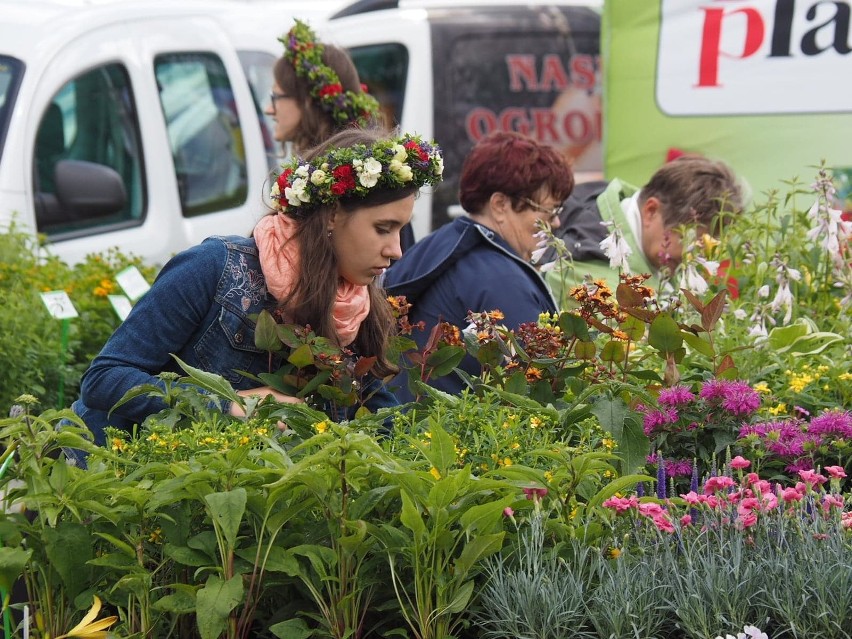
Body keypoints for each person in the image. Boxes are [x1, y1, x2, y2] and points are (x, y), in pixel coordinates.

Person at [71, 128, 444, 448]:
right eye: (383, 228)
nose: (396, 251)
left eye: (400, 230)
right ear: (331, 215)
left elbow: (379, 420)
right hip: (125, 491)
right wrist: (226, 404)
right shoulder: (214, 266)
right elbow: (105, 378)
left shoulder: (354, 306)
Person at [382, 131, 574, 401]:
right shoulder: (501, 280)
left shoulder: (442, 242)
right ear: (500, 205)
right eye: (549, 211)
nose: (555, 224)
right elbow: (541, 387)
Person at [541, 155, 745, 302]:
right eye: (688, 240)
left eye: (704, 246)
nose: (691, 256)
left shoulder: (603, 202)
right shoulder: (583, 270)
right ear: (651, 211)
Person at [266, 19, 382, 155]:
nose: (268, 110)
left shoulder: (327, 172)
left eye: (275, 96)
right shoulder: (355, 163)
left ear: (307, 101)